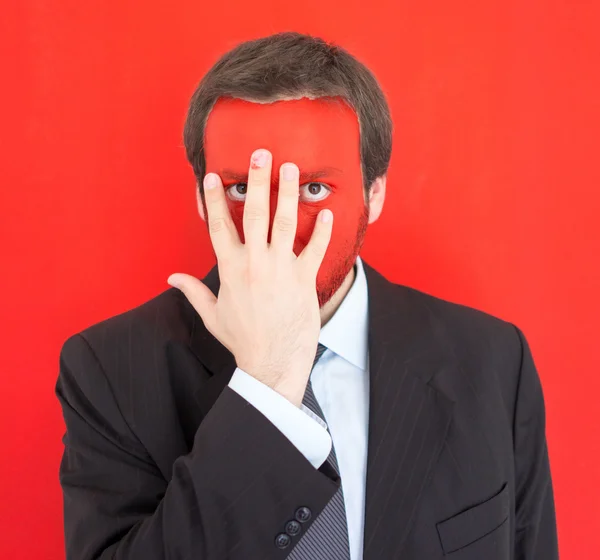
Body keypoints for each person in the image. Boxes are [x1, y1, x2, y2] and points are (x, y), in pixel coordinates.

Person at [55, 31, 559, 559]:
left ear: (375, 195)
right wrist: (267, 388)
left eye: (314, 189)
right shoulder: (109, 372)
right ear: (202, 201)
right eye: (242, 189)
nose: (278, 223)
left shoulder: (494, 362)